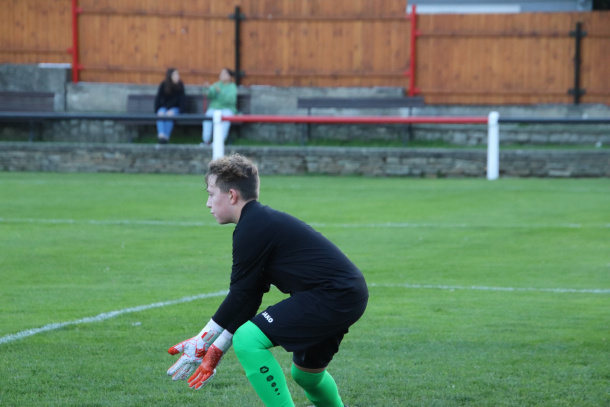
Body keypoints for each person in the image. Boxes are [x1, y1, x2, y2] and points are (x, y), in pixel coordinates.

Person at [167, 154, 369, 407]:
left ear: (231, 195)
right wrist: (215, 349)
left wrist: (203, 339)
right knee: (307, 376)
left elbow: (239, 295)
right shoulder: (257, 221)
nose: (208, 203)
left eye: (210, 193)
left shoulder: (252, 227)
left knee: (248, 340)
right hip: (346, 293)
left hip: (331, 294)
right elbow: (250, 296)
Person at [201, 68, 238, 146]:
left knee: (226, 118)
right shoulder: (217, 84)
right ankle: (206, 141)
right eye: (221, 73)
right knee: (208, 116)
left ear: (230, 77)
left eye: (225, 74)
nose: (222, 75)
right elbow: (209, 94)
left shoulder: (232, 87)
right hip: (214, 108)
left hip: (227, 109)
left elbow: (231, 100)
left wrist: (220, 92)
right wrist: (206, 88)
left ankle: (219, 142)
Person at [154, 68, 186, 144]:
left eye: (178, 74)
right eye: (175, 74)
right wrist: (157, 110)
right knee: (161, 113)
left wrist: (181, 111)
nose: (177, 76)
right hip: (164, 108)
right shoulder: (164, 85)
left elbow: (182, 101)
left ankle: (165, 138)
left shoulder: (180, 85)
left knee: (169, 114)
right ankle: (161, 135)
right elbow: (158, 98)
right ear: (170, 76)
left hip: (176, 109)